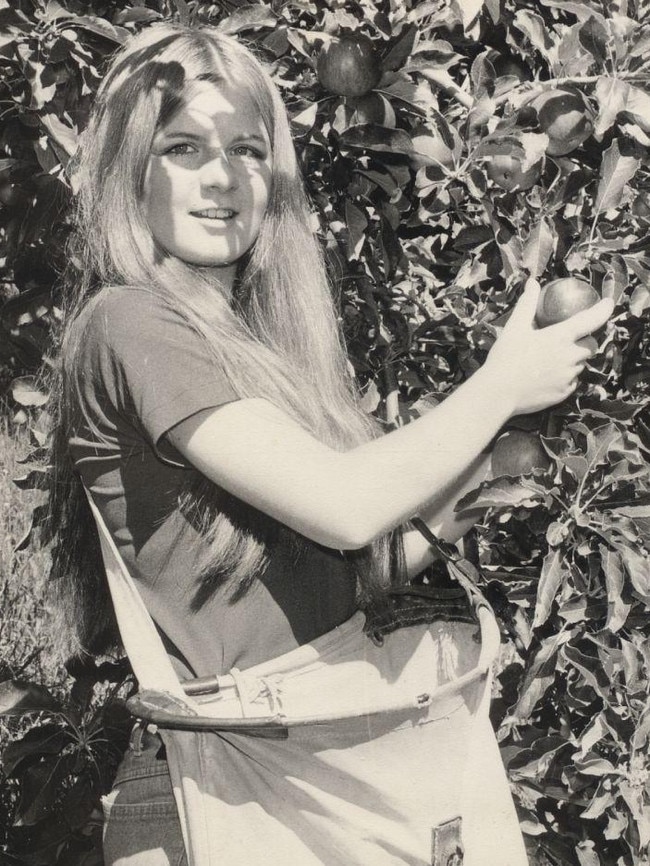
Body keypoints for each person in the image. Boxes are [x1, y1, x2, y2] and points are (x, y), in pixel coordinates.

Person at [47, 22, 613, 866]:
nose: (223, 177)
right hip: (232, 793)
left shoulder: (249, 346)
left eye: (247, 148)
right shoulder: (131, 321)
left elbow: (348, 574)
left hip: (315, 771)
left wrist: (497, 465)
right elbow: (347, 507)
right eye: (181, 147)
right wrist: (500, 384)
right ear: (129, 168)